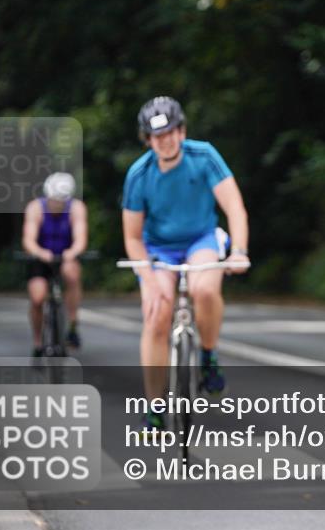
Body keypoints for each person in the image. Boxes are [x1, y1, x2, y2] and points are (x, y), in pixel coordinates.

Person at [122, 96, 249, 429]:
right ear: (147, 139)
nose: (166, 141)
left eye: (172, 132)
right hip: (158, 248)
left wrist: (238, 250)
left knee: (205, 288)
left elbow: (234, 208)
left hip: (201, 239)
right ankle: (154, 406)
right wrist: (149, 282)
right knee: (157, 313)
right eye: (157, 136)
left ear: (182, 131)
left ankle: (208, 355)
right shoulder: (139, 174)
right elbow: (133, 237)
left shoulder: (203, 156)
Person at [21, 172, 88, 355]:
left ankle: (72, 326)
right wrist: (41, 253)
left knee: (72, 273)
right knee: (37, 298)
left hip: (65, 256)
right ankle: (37, 341)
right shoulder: (35, 208)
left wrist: (71, 253)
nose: (57, 205)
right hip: (41, 258)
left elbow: (81, 239)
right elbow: (28, 240)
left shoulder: (76, 208)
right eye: (54, 200)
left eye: (61, 201)